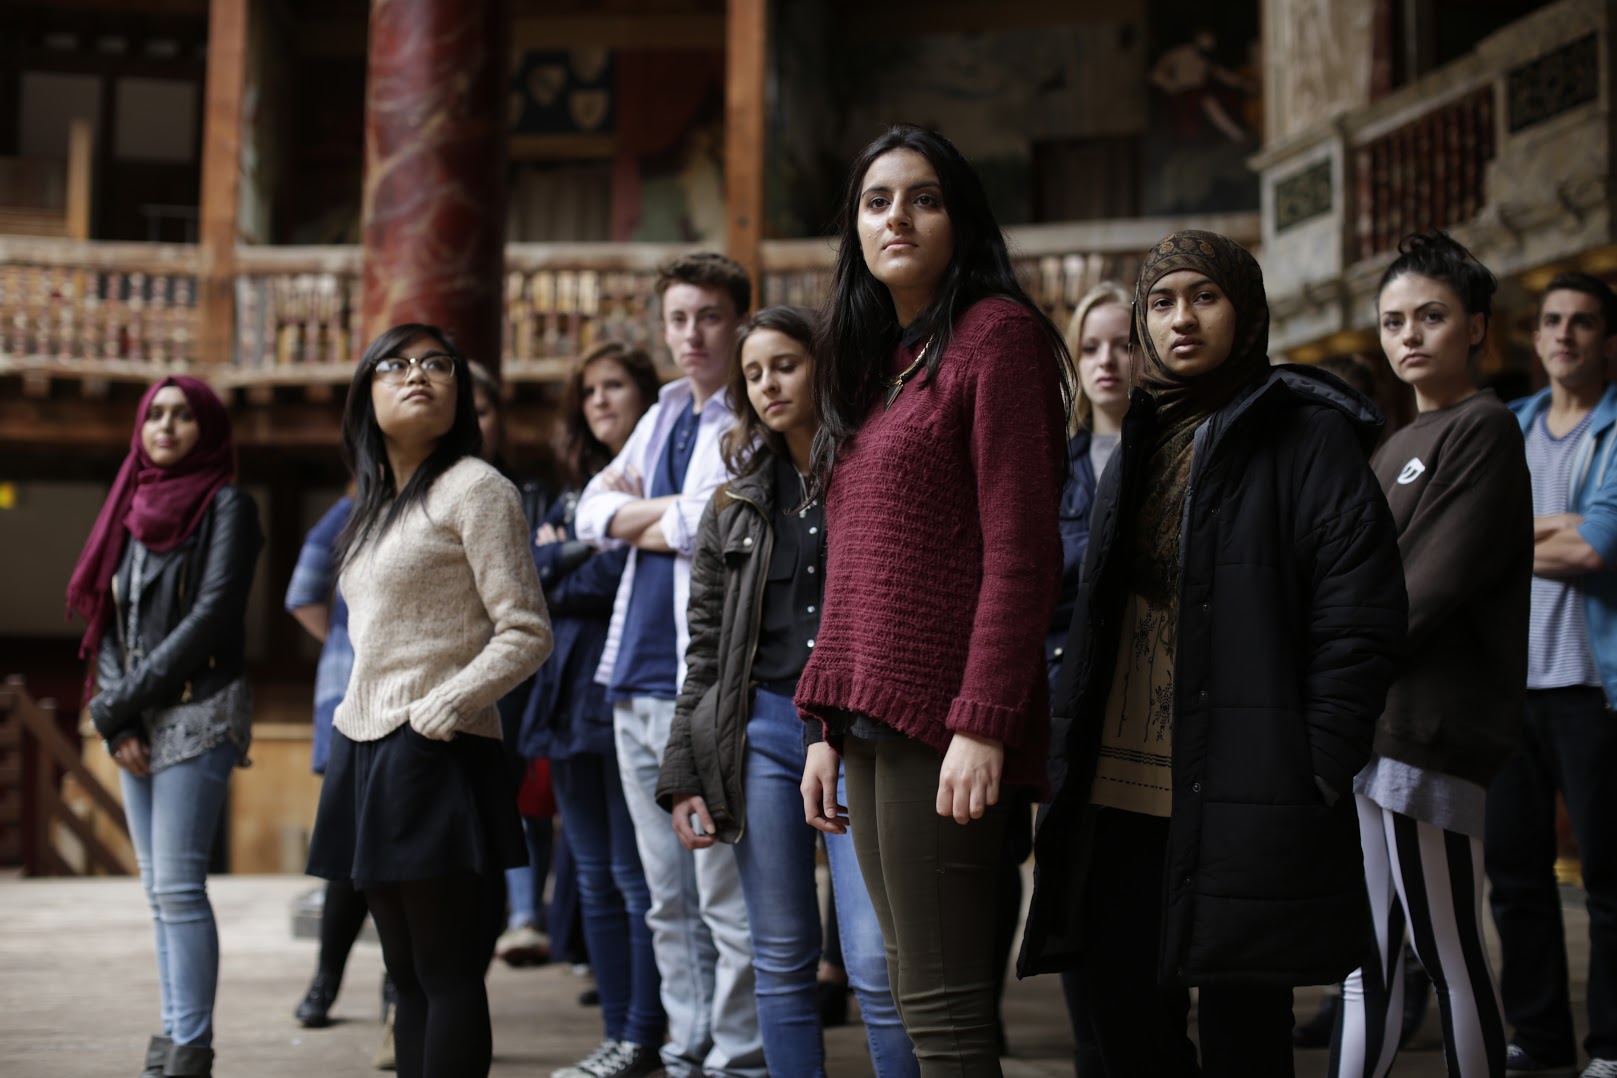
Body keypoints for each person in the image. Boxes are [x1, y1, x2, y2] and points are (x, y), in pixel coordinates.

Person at [1019, 229, 1408, 1078]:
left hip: (1245, 779)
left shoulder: (1308, 436)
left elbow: (1361, 613)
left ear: (1246, 309)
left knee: (1243, 1027)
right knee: (1122, 1015)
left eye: (1204, 297)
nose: (1180, 319)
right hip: (1117, 782)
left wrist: (1317, 759)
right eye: (1160, 302)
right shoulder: (1142, 435)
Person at [792, 123, 1073, 1075]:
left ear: (961, 218)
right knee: (903, 987)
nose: (896, 218)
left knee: (946, 1011)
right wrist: (823, 724)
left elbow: (1024, 551)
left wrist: (985, 721)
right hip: (868, 717)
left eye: (923, 197)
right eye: (876, 202)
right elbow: (854, 564)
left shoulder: (998, 338)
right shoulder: (873, 363)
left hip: (945, 721)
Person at [657, 305, 918, 1078]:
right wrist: (684, 777)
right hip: (760, 734)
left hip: (858, 733)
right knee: (779, 958)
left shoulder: (872, 477)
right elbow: (702, 656)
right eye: (755, 373)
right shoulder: (733, 506)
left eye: (786, 364)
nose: (769, 384)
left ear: (822, 367)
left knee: (874, 963)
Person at [304, 323, 553, 1078]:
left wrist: (444, 707)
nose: (418, 375)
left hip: (435, 747)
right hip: (363, 744)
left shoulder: (477, 488)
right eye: (396, 364)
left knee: (445, 974)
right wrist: (361, 720)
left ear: (460, 394)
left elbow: (526, 629)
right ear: (365, 395)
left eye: (437, 365)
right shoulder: (373, 508)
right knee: (403, 975)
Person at [1331, 231, 1532, 1078]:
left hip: (1429, 727)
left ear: (1476, 327)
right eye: (1391, 321)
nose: (1408, 335)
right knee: (1364, 963)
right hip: (1370, 723)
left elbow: (1421, 591)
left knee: (1445, 954)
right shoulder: (1388, 444)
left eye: (1431, 317)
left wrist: (1329, 652)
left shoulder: (1482, 429)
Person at [575, 253, 765, 1078]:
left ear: (738, 322)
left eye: (710, 316)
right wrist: (662, 517)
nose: (692, 333)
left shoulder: (751, 412)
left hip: (706, 683)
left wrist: (645, 516)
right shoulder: (658, 413)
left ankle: (737, 1052)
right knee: (663, 896)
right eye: (679, 318)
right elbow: (590, 511)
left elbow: (718, 521)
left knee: (722, 893)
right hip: (630, 676)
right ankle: (686, 1045)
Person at [67, 376, 264, 1078]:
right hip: (137, 712)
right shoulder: (130, 503)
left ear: (207, 428)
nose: (167, 426)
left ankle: (193, 1046)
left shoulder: (228, 507)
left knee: (180, 887)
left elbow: (211, 617)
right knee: (158, 889)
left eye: (184, 415)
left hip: (201, 704)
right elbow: (111, 618)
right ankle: (175, 1028)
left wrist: (118, 706)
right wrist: (120, 708)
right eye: (156, 414)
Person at [524, 341, 668, 1078]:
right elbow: (531, 574)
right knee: (592, 879)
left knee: (636, 877)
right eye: (589, 391)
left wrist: (567, 559)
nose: (602, 400)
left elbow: (619, 575)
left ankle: (645, 1033)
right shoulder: (574, 494)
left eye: (616, 386)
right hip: (564, 702)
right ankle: (617, 1035)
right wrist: (579, 554)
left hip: (629, 689)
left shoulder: (671, 473)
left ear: (647, 395)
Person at [1487, 271, 1617, 1078]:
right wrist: (1554, 525)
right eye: (1551, 321)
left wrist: (1522, 534)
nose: (1564, 334)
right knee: (1513, 876)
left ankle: (1609, 1045)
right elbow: (1469, 534)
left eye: (1582, 322)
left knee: (1608, 876)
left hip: (1592, 689)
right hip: (1508, 686)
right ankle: (1536, 1036)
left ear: (1608, 340)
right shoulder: (1508, 427)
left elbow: (1593, 548)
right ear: (1533, 339)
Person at [1052, 281, 1132, 1076]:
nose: (1107, 361)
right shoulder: (1059, 464)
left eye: (1122, 343)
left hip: (1160, 703)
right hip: (1071, 704)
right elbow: (1044, 583)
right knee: (1075, 892)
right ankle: (1089, 1059)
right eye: (1090, 346)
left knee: (1145, 897)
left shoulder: (1183, 452)